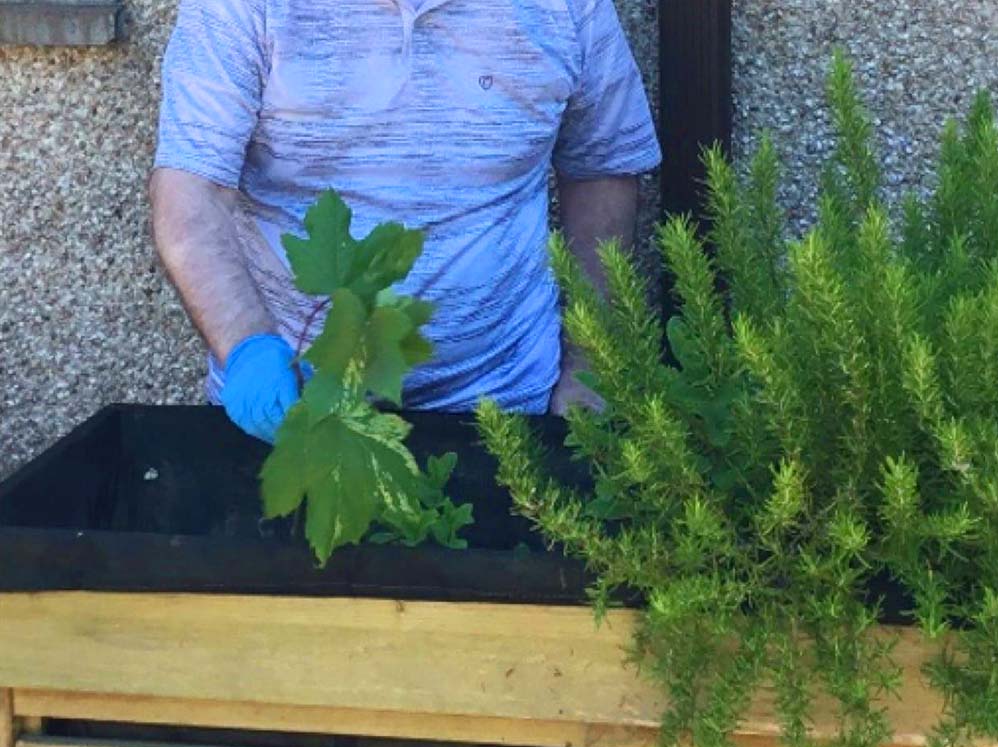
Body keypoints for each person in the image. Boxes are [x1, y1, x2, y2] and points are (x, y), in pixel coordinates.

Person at [149, 0, 661, 443]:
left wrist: (590, 366)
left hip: (506, 413)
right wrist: (247, 346)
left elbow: (602, 168)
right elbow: (190, 193)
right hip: (300, 415)